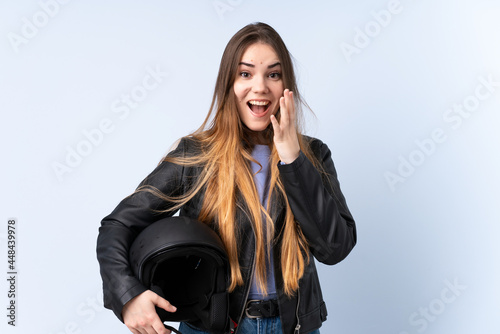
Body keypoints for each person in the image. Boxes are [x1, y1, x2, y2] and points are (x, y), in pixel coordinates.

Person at [96, 22, 357, 334]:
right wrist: (128, 296)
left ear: (286, 86)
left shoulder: (312, 155)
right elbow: (117, 226)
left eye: (273, 74)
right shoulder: (196, 156)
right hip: (216, 325)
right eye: (245, 73)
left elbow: (334, 249)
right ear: (228, 83)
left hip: (294, 327)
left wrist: (291, 157)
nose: (260, 87)